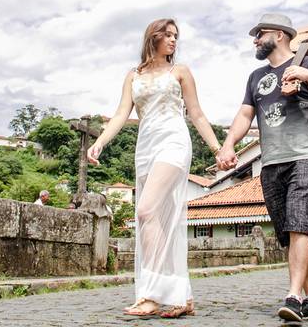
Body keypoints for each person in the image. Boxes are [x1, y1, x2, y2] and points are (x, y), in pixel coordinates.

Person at [87, 18, 221, 318]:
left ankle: (151, 295)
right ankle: (178, 295)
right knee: (153, 219)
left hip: (174, 143)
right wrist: (100, 143)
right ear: (154, 37)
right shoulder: (133, 76)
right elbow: (122, 113)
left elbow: (196, 113)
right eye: (168, 35)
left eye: (176, 36)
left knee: (146, 210)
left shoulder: (181, 72)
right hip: (145, 147)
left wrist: (217, 148)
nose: (173, 40)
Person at [217, 13, 308, 322]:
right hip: (270, 162)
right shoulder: (256, 77)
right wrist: (229, 143)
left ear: (280, 35)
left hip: (305, 156)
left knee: (300, 222)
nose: (255, 39)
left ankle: (293, 296)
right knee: (289, 233)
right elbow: (246, 115)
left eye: (260, 33)